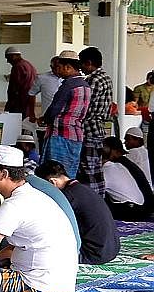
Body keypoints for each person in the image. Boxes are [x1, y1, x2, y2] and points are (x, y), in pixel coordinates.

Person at [0, 145, 79, 292]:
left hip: (39, 289)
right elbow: (13, 248)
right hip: (61, 288)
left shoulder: (15, 205)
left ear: (3, 174)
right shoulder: (34, 196)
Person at [37, 160, 119, 266]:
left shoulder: (68, 196)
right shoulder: (83, 189)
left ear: (52, 182)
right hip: (112, 249)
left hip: (92, 254)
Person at [39, 50, 89, 178]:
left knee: (53, 173)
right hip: (76, 134)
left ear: (68, 67)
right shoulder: (85, 85)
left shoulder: (68, 86)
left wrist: (44, 119)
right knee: (69, 173)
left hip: (60, 135)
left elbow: (54, 109)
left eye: (59, 67)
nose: (57, 71)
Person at [79, 46, 115, 197]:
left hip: (89, 128)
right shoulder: (106, 77)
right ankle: (100, 200)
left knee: (88, 170)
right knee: (96, 168)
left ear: (88, 63)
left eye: (81, 64)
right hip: (99, 128)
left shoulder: (92, 80)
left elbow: (85, 105)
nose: (81, 68)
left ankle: (92, 201)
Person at [101, 136, 154, 221]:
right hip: (145, 204)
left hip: (136, 210)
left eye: (127, 139)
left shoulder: (115, 164)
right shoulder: (123, 163)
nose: (125, 142)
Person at [3, 46, 38, 119]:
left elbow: (14, 88)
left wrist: (9, 104)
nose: (8, 61)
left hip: (19, 103)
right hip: (29, 101)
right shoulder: (29, 65)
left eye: (8, 58)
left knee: (15, 126)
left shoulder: (17, 67)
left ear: (13, 56)